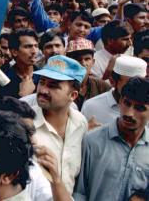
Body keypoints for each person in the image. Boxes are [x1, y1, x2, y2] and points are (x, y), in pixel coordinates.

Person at [74, 77, 149, 201]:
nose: (129, 113)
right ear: (120, 101)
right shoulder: (91, 142)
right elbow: (79, 192)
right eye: (127, 103)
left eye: (139, 108)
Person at [32, 55, 88, 194]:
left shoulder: (80, 123)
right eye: (42, 82)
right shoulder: (24, 124)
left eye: (53, 86)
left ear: (73, 95)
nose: (43, 90)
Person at [81, 55, 147, 127]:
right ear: (112, 82)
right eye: (130, 83)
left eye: (140, 84)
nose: (136, 88)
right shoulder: (91, 106)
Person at [65, 37, 111, 110]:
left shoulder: (101, 85)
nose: (83, 63)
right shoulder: (61, 85)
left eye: (87, 59)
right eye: (77, 59)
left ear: (93, 62)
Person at [0, 29, 39, 99]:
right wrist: (22, 96)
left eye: (36, 46)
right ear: (14, 52)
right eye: (27, 46)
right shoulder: (2, 79)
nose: (34, 51)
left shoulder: (44, 77)